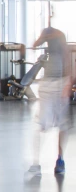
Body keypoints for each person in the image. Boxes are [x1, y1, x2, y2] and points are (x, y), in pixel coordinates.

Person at [28, 21, 72, 177]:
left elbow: (67, 59)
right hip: (46, 84)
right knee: (40, 125)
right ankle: (35, 163)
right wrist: (43, 36)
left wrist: (68, 83)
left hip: (60, 84)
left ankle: (60, 159)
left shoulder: (60, 36)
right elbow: (34, 45)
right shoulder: (46, 34)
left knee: (62, 125)